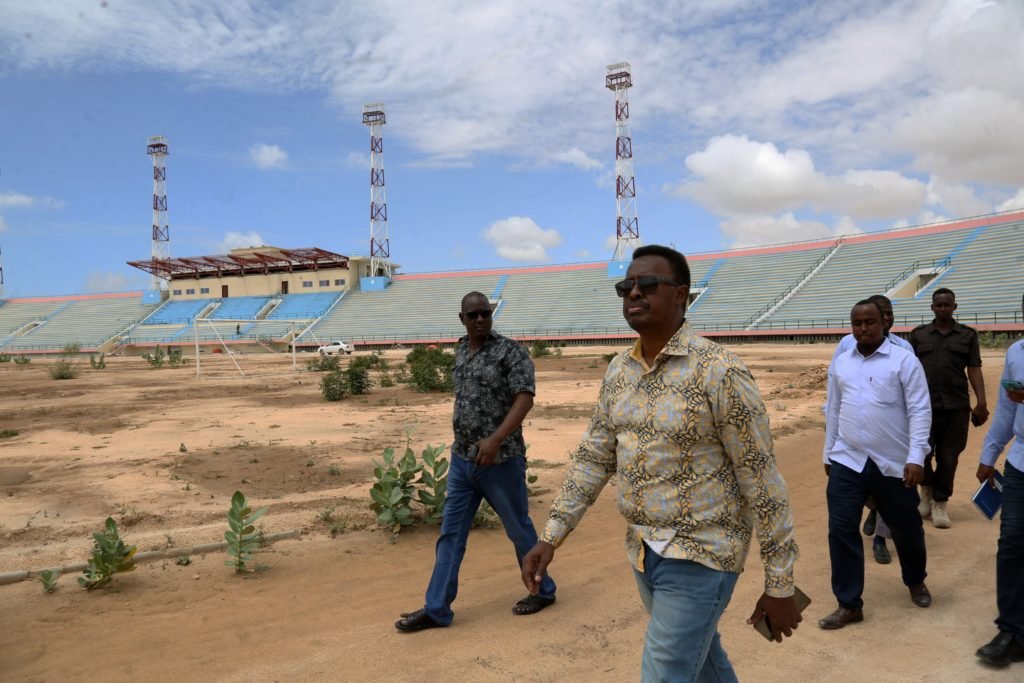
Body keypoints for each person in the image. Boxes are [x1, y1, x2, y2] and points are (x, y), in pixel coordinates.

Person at [521, 245, 801, 682]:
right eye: (626, 286)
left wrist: (780, 583)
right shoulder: (619, 372)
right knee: (704, 664)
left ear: (681, 295)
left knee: (665, 673)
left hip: (703, 554)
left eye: (647, 284)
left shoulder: (719, 371)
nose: (634, 293)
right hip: (644, 551)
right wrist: (551, 535)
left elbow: (762, 481)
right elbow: (594, 458)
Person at [394, 291, 556, 632]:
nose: (481, 319)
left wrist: (496, 439)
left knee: (518, 530)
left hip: (502, 462)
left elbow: (524, 399)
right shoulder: (460, 350)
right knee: (450, 535)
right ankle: (436, 608)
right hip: (462, 462)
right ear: (462, 319)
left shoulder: (510, 351)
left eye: (486, 313)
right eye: (474, 315)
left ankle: (542, 591)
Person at [820, 299, 932, 630]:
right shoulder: (842, 363)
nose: (863, 328)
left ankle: (915, 579)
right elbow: (834, 409)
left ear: (883, 323)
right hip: (848, 459)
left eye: (869, 322)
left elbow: (920, 410)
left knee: (907, 528)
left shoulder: (904, 361)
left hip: (893, 463)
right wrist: (829, 453)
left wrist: (916, 457)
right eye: (857, 323)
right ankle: (848, 603)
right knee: (841, 530)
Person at [828, 294, 911, 564]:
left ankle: (880, 540)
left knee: (901, 514)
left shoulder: (904, 351)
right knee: (845, 513)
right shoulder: (846, 347)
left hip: (891, 444)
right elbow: (836, 391)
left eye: (887, 314)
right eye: (858, 322)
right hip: (851, 446)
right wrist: (828, 446)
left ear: (886, 319)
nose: (886, 318)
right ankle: (873, 508)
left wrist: (917, 450)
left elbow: (915, 403)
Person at [910, 288, 989, 528]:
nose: (943, 309)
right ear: (932, 308)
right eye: (939, 305)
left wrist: (981, 402)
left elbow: (974, 368)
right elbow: (907, 371)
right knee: (921, 453)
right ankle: (927, 489)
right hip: (923, 407)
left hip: (956, 407)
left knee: (949, 456)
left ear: (955, 307)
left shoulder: (967, 335)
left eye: (947, 305)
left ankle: (940, 502)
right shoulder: (918, 335)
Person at [975, 293, 1024, 667]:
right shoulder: (1017, 353)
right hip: (1021, 464)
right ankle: (1012, 629)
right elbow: (1008, 408)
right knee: (1011, 544)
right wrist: (989, 455)